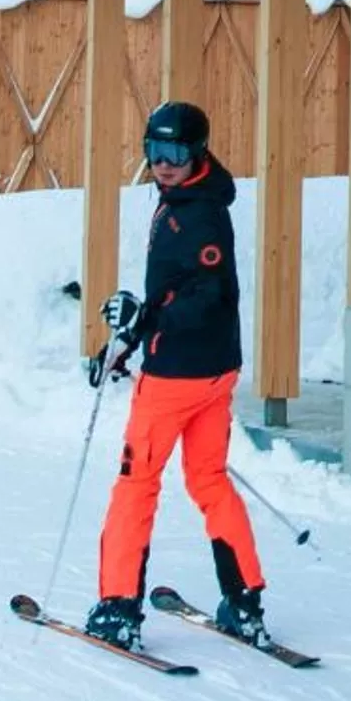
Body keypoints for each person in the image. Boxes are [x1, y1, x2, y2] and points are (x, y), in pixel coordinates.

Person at [83, 102, 269, 653]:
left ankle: (118, 607)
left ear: (199, 152)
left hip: (177, 376)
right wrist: (128, 340)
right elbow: (174, 295)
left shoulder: (199, 214)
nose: (163, 165)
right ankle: (244, 599)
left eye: (176, 154)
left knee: (136, 482)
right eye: (155, 153)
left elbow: (207, 296)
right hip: (214, 370)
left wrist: (148, 323)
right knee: (208, 478)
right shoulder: (190, 198)